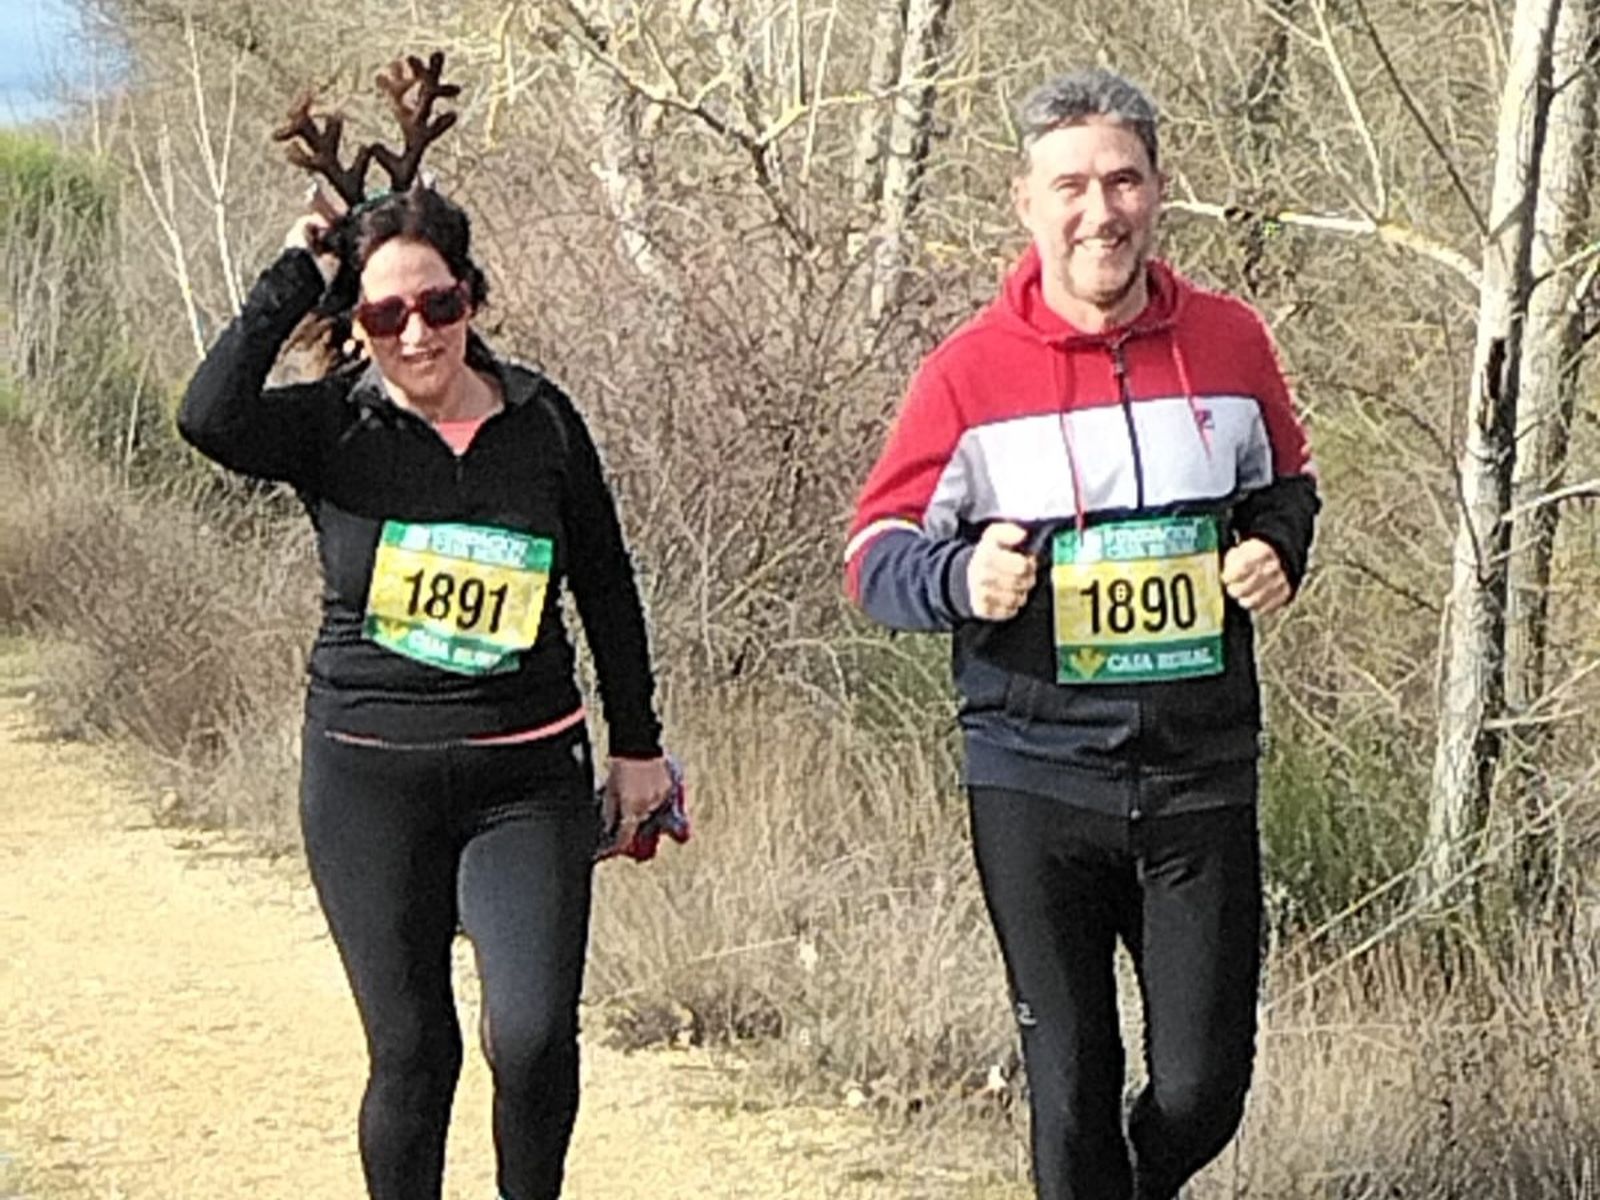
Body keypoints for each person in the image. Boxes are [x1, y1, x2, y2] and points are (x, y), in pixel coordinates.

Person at [844, 68, 1319, 1200]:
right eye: (1070, 185)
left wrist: (1274, 551)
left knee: (1203, 1090)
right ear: (1025, 200)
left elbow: (1286, 487)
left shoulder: (1230, 344)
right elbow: (872, 556)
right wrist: (964, 576)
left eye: (1121, 181)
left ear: (1157, 192)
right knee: (1068, 1083)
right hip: (1034, 775)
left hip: (1200, 770)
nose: (1097, 210)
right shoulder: (966, 375)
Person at [178, 170, 674, 1198]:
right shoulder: (332, 426)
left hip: (525, 780)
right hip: (368, 785)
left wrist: (638, 746)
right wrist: (297, 272)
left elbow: (607, 584)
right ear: (357, 322)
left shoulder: (543, 420)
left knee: (533, 1037)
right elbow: (207, 415)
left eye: (437, 304)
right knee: (412, 1056)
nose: (416, 333)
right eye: (385, 311)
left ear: (472, 299)